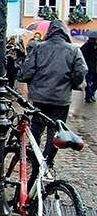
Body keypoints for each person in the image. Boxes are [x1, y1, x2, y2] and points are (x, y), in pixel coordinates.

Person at [18, 19, 88, 164]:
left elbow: (27, 71)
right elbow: (81, 71)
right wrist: (74, 83)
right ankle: (47, 160)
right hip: (60, 98)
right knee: (56, 130)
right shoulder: (74, 50)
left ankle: (33, 156)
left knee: (36, 126)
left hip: (39, 96)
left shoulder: (38, 48)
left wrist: (29, 80)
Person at [80, 30, 97, 103]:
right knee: (88, 83)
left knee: (95, 83)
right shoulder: (86, 46)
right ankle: (88, 96)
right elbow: (81, 55)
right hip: (89, 68)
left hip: (96, 68)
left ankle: (92, 94)